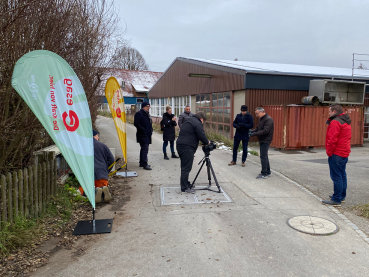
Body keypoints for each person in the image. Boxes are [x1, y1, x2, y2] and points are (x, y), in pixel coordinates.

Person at [322, 104, 351, 207]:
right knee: (342, 174)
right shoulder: (345, 121)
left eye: (329, 111)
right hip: (344, 152)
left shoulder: (335, 122)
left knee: (336, 176)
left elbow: (332, 139)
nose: (329, 113)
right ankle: (341, 196)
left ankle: (336, 199)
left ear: (334, 111)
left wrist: (329, 152)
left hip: (337, 153)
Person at [176, 111, 209, 193]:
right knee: (186, 168)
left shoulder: (189, 120)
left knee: (185, 166)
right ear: (201, 119)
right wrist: (207, 142)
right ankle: (184, 187)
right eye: (203, 121)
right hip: (187, 147)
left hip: (180, 145)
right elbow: (201, 134)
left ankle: (186, 184)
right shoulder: (197, 123)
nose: (202, 122)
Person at [79, 130, 115, 203]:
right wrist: (106, 170)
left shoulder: (82, 147)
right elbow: (111, 160)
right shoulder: (103, 146)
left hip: (88, 174)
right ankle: (102, 192)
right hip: (102, 174)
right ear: (94, 136)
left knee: (83, 191)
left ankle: (95, 192)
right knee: (103, 187)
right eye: (97, 135)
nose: (98, 137)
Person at [249, 107, 274, 179]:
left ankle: (264, 174)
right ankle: (268, 171)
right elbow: (258, 127)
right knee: (264, 156)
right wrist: (252, 131)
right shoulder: (261, 119)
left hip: (266, 140)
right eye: (256, 114)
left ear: (262, 112)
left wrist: (254, 134)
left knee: (263, 156)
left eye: (257, 114)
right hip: (262, 139)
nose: (256, 116)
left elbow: (265, 131)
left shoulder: (268, 119)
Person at [134, 102, 153, 170]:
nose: (148, 108)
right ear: (143, 107)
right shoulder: (139, 114)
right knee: (145, 149)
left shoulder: (147, 114)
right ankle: (145, 164)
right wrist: (143, 130)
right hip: (142, 134)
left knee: (143, 149)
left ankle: (141, 162)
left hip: (147, 134)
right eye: (147, 106)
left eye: (149, 106)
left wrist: (151, 130)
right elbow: (136, 123)